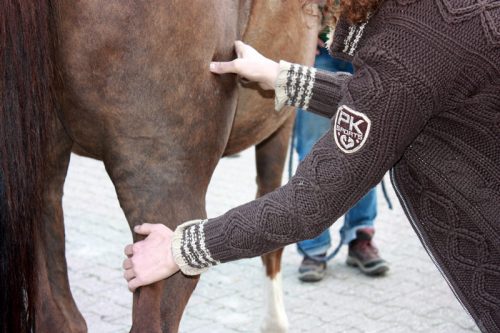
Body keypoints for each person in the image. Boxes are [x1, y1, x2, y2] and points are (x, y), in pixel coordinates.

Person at [123, 1, 500, 332]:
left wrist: (181, 249)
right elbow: (392, 105)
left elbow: (309, 205)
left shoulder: (409, 43)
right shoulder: (438, 17)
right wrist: (283, 76)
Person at [294, 37, 389, 282]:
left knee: (367, 149)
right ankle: (314, 246)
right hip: (322, 50)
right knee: (313, 152)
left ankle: (360, 237)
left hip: (370, 55)